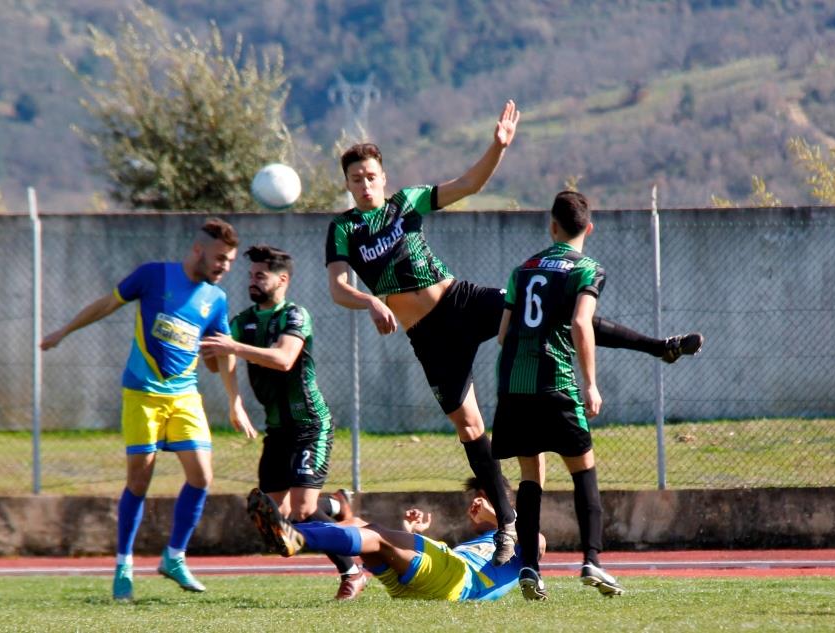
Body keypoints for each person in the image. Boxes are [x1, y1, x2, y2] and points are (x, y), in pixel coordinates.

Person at [324, 100, 703, 565]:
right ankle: (507, 524)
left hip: (459, 300)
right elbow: (339, 287)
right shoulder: (344, 229)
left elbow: (468, 183)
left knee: (556, 314)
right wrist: (370, 300)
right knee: (469, 426)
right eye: (356, 178)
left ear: (383, 176)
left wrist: (497, 147)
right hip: (428, 335)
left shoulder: (406, 202)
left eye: (370, 175)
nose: (364, 184)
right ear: (347, 184)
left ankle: (659, 346)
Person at [40, 218, 256, 601]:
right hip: (142, 395)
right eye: (220, 258)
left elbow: (223, 354)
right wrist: (63, 331)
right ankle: (123, 564)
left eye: (231, 261)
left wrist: (234, 403)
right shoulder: (153, 276)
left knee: (202, 476)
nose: (225, 266)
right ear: (197, 251)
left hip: (185, 396)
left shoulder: (216, 300)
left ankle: (174, 557)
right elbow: (107, 303)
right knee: (139, 482)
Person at [199, 245, 367, 601]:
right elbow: (220, 362)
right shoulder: (242, 320)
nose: (252, 281)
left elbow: (284, 358)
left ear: (282, 279)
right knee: (278, 519)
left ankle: (352, 572)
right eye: (250, 275)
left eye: (260, 275)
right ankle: (336, 506)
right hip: (277, 430)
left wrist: (232, 347)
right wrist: (231, 394)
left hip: (309, 424)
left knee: (304, 510)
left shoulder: (295, 315)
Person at [492, 191, 623, 601]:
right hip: (557, 383)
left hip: (514, 385)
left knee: (531, 476)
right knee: (584, 470)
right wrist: (591, 384)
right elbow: (583, 324)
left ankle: (529, 565)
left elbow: (501, 335)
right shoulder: (587, 269)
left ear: (551, 226)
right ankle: (592, 561)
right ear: (589, 227)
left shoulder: (523, 269)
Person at [246, 478, 534, 602]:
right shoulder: (478, 541)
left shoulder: (523, 542)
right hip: (418, 589)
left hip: (460, 582)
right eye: (476, 500)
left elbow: (539, 543)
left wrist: (497, 517)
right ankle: (298, 528)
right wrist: (412, 533)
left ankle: (298, 534)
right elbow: (430, 569)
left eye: (484, 499)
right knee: (365, 529)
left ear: (507, 506)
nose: (477, 505)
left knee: (376, 534)